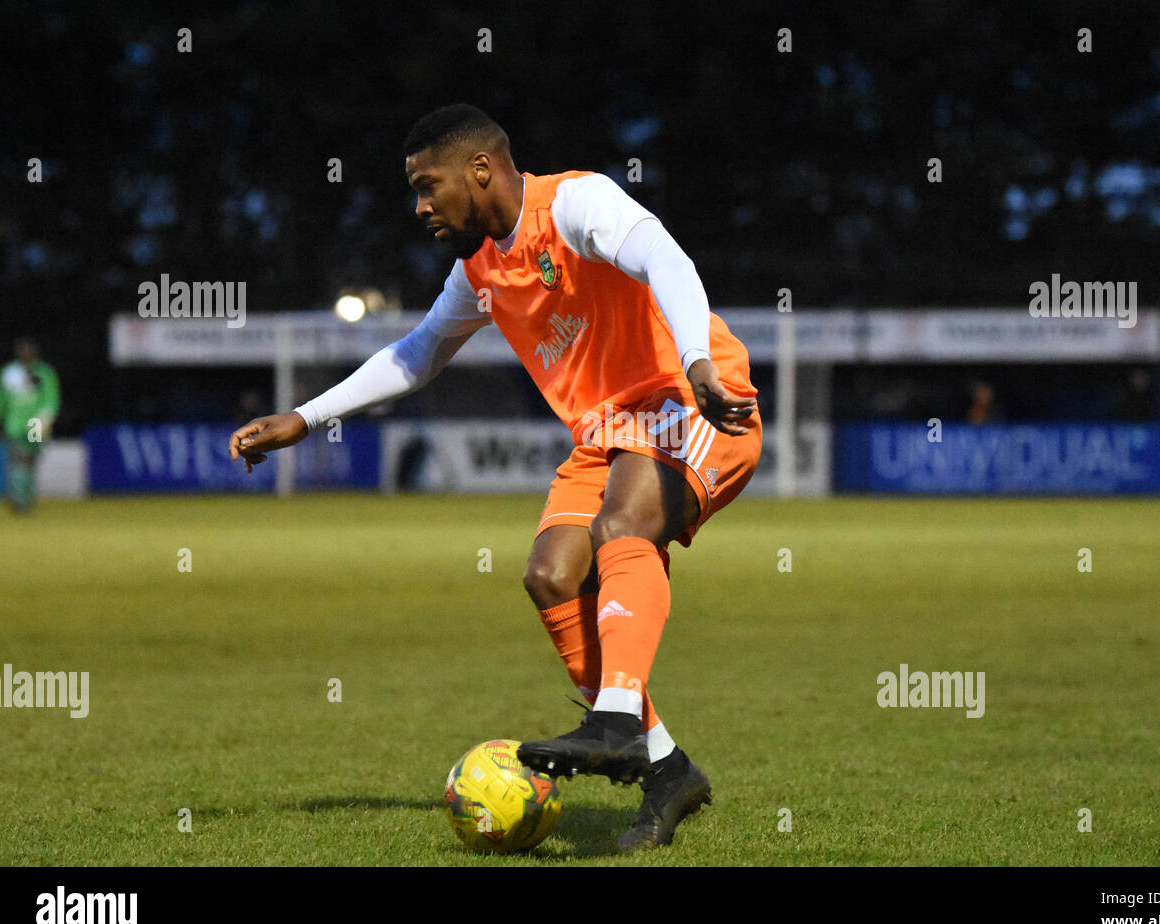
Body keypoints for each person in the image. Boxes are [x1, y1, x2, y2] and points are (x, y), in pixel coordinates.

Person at [228, 104, 762, 851]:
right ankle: (668, 769)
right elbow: (415, 355)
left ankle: (614, 720)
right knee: (551, 574)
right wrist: (305, 417)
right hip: (607, 435)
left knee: (621, 527)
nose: (420, 207)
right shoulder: (478, 269)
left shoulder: (575, 204)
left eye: (427, 186)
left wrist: (700, 364)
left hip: (692, 396)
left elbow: (665, 259)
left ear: (480, 170)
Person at [0, 338, 61, 513]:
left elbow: (52, 398)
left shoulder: (44, 373)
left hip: (36, 424)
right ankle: (20, 500)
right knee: (19, 459)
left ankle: (25, 496)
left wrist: (47, 416)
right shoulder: (9, 372)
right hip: (15, 424)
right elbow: (0, 398)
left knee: (30, 461)